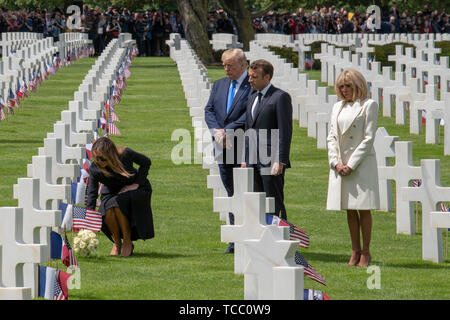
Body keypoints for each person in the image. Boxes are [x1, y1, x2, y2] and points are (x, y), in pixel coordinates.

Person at [326, 69, 379, 268]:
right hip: (341, 164)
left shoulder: (368, 105)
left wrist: (351, 164)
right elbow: (332, 136)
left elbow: (368, 137)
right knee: (349, 209)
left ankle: (366, 251)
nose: (345, 90)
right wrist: (335, 162)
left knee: (363, 209)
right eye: (341, 86)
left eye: (349, 86)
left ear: (358, 86)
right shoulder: (337, 107)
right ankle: (354, 249)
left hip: (361, 164)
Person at [204, 48, 251, 254]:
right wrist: (216, 130)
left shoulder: (252, 86)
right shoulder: (219, 85)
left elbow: (250, 114)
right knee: (231, 191)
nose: (226, 69)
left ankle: (249, 236)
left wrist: (228, 129)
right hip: (222, 146)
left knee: (247, 192)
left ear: (242, 65)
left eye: (230, 65)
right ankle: (234, 240)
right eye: (224, 65)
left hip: (243, 146)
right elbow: (209, 110)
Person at [86, 137, 154, 257]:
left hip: (135, 189)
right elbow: (92, 192)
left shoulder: (125, 154)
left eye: (102, 158)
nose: (99, 161)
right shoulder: (95, 168)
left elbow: (146, 162)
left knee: (117, 204)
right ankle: (117, 243)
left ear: (111, 155)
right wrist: (89, 215)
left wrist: (135, 184)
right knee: (107, 209)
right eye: (96, 158)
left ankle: (127, 242)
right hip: (112, 193)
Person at [242, 59, 293, 220]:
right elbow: (248, 130)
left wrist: (280, 160)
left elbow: (285, 132)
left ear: (267, 77)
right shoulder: (251, 98)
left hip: (271, 160)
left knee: (273, 203)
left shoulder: (280, 97)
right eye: (249, 76)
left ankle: (278, 240)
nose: (250, 80)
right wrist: (245, 158)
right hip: (252, 161)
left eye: (254, 77)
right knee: (256, 204)